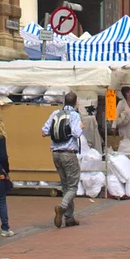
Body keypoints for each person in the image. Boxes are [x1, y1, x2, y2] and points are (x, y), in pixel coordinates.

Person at [43, 93, 84, 228]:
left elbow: (44, 131)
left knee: (65, 185)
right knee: (73, 186)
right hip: (68, 153)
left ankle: (69, 217)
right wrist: (81, 127)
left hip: (56, 154)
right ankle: (62, 206)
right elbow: (77, 133)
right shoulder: (75, 115)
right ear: (75, 102)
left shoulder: (55, 113)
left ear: (64, 101)